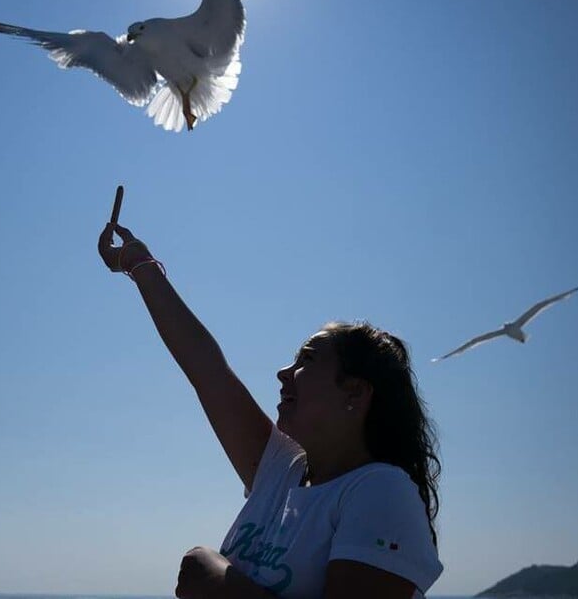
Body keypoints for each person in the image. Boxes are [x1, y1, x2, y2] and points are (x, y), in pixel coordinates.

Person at [98, 220, 443, 599]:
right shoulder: (285, 470)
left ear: (355, 392)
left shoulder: (381, 491)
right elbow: (207, 371)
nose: (283, 372)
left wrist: (217, 578)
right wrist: (140, 265)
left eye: (306, 360)